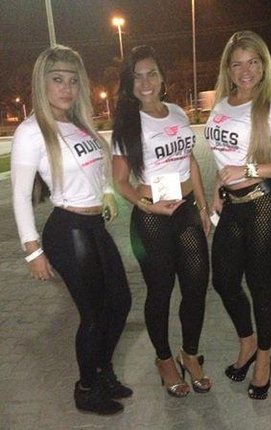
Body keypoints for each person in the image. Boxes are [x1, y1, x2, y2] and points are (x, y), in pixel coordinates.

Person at [11, 45, 132, 415]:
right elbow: (19, 194)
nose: (66, 88)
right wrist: (32, 250)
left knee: (121, 302)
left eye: (73, 80)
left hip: (94, 225)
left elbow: (99, 165)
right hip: (68, 230)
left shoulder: (79, 123)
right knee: (93, 314)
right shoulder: (31, 131)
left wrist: (107, 191)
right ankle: (87, 388)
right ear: (42, 83)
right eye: (57, 80)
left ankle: (103, 370)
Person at [204, 31, 271, 400]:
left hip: (264, 204)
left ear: (263, 66)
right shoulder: (221, 105)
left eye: (253, 62)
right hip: (232, 204)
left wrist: (248, 170)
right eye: (238, 63)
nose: (246, 70)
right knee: (224, 281)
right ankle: (247, 341)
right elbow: (221, 157)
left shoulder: (270, 109)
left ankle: (263, 357)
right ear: (228, 69)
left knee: (260, 285)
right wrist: (217, 188)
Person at [112, 45, 211, 397]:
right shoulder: (127, 124)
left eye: (151, 73)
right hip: (152, 217)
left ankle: (190, 353)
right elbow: (120, 181)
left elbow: (191, 161)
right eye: (137, 76)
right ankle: (164, 359)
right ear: (129, 84)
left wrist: (202, 206)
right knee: (160, 290)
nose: (145, 82)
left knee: (196, 285)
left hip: (185, 209)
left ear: (162, 76)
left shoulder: (178, 113)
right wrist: (147, 206)